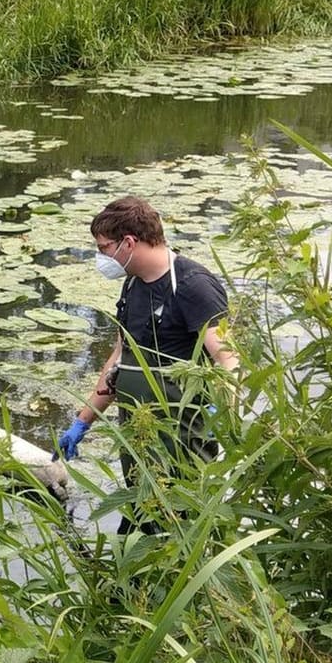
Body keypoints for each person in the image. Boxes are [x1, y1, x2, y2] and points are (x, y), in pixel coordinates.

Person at [55, 197, 240, 524]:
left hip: (182, 441)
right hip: (138, 438)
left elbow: (229, 362)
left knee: (178, 527)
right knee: (139, 524)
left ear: (128, 242)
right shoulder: (132, 285)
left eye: (103, 247)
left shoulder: (192, 285)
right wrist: (83, 421)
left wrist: (220, 414)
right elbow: (119, 359)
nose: (101, 257)